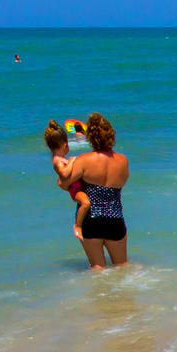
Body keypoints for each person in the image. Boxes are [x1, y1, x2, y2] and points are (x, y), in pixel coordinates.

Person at [58, 112, 128, 269]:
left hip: (91, 219)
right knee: (122, 266)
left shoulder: (84, 160)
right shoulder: (122, 160)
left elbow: (63, 183)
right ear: (111, 135)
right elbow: (123, 181)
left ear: (91, 137)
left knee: (97, 269)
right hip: (115, 218)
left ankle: (100, 294)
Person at [44, 121, 90, 241]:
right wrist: (72, 161)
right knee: (86, 203)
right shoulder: (58, 161)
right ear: (65, 145)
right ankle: (78, 225)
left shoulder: (61, 158)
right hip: (75, 190)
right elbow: (64, 174)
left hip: (77, 186)